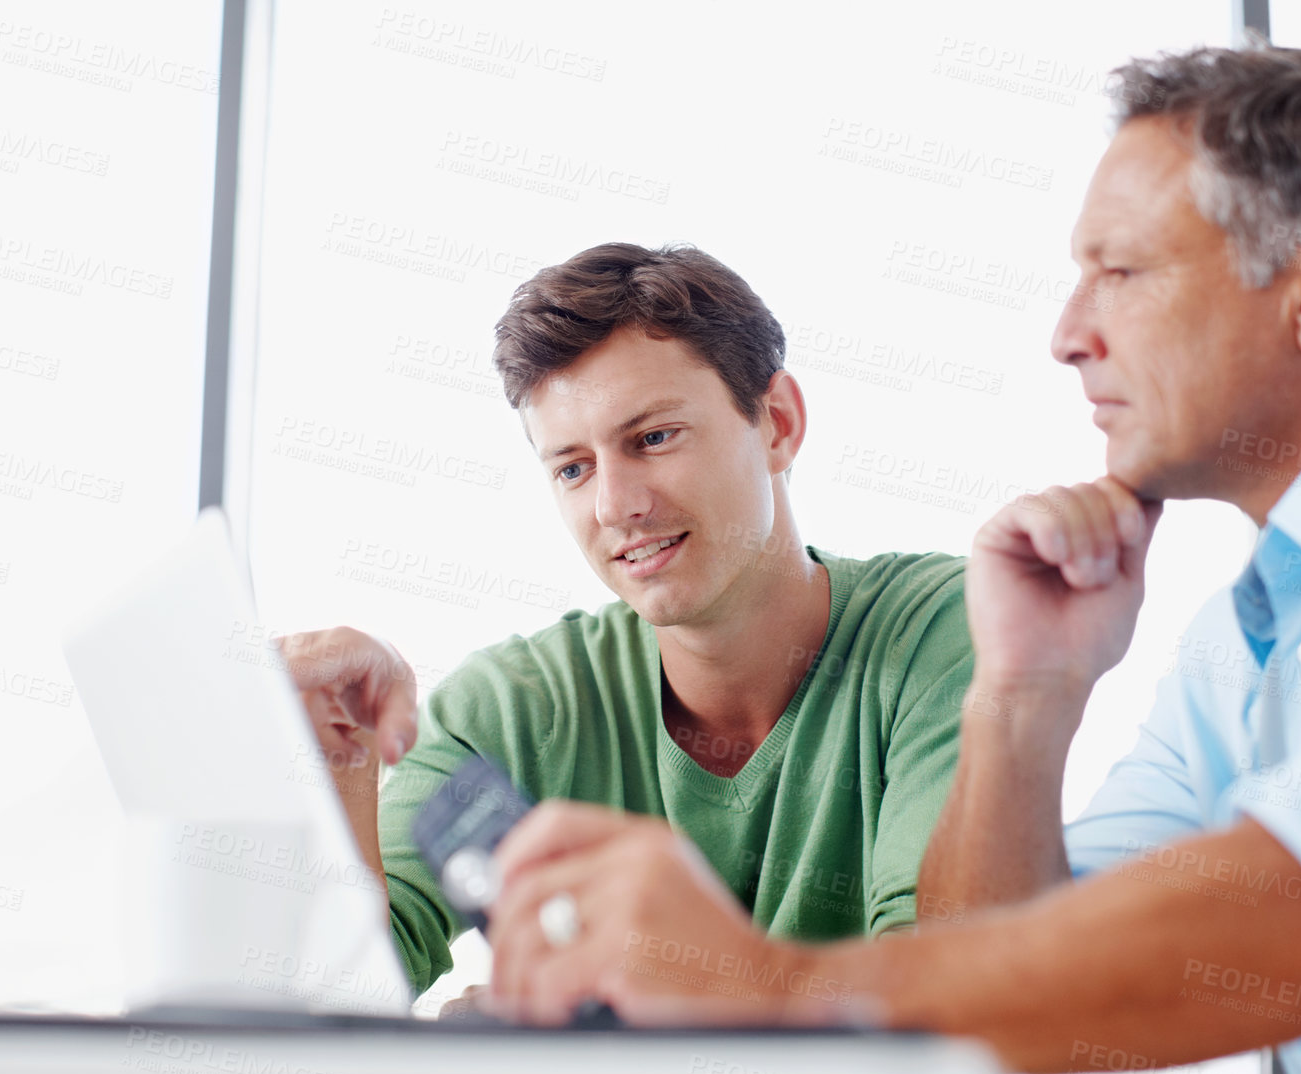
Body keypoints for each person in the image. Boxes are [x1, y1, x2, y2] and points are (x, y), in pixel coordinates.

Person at [471, 46, 1301, 1074]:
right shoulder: (1249, 643)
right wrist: (1024, 699)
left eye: (1117, 272)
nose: (1067, 331)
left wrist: (775, 993)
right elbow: (1002, 975)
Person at [275, 243, 975, 999]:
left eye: (652, 438)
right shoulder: (506, 709)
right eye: (572, 467)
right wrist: (335, 773)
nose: (615, 505)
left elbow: (944, 986)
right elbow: (344, 992)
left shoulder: (938, 632)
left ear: (776, 422)